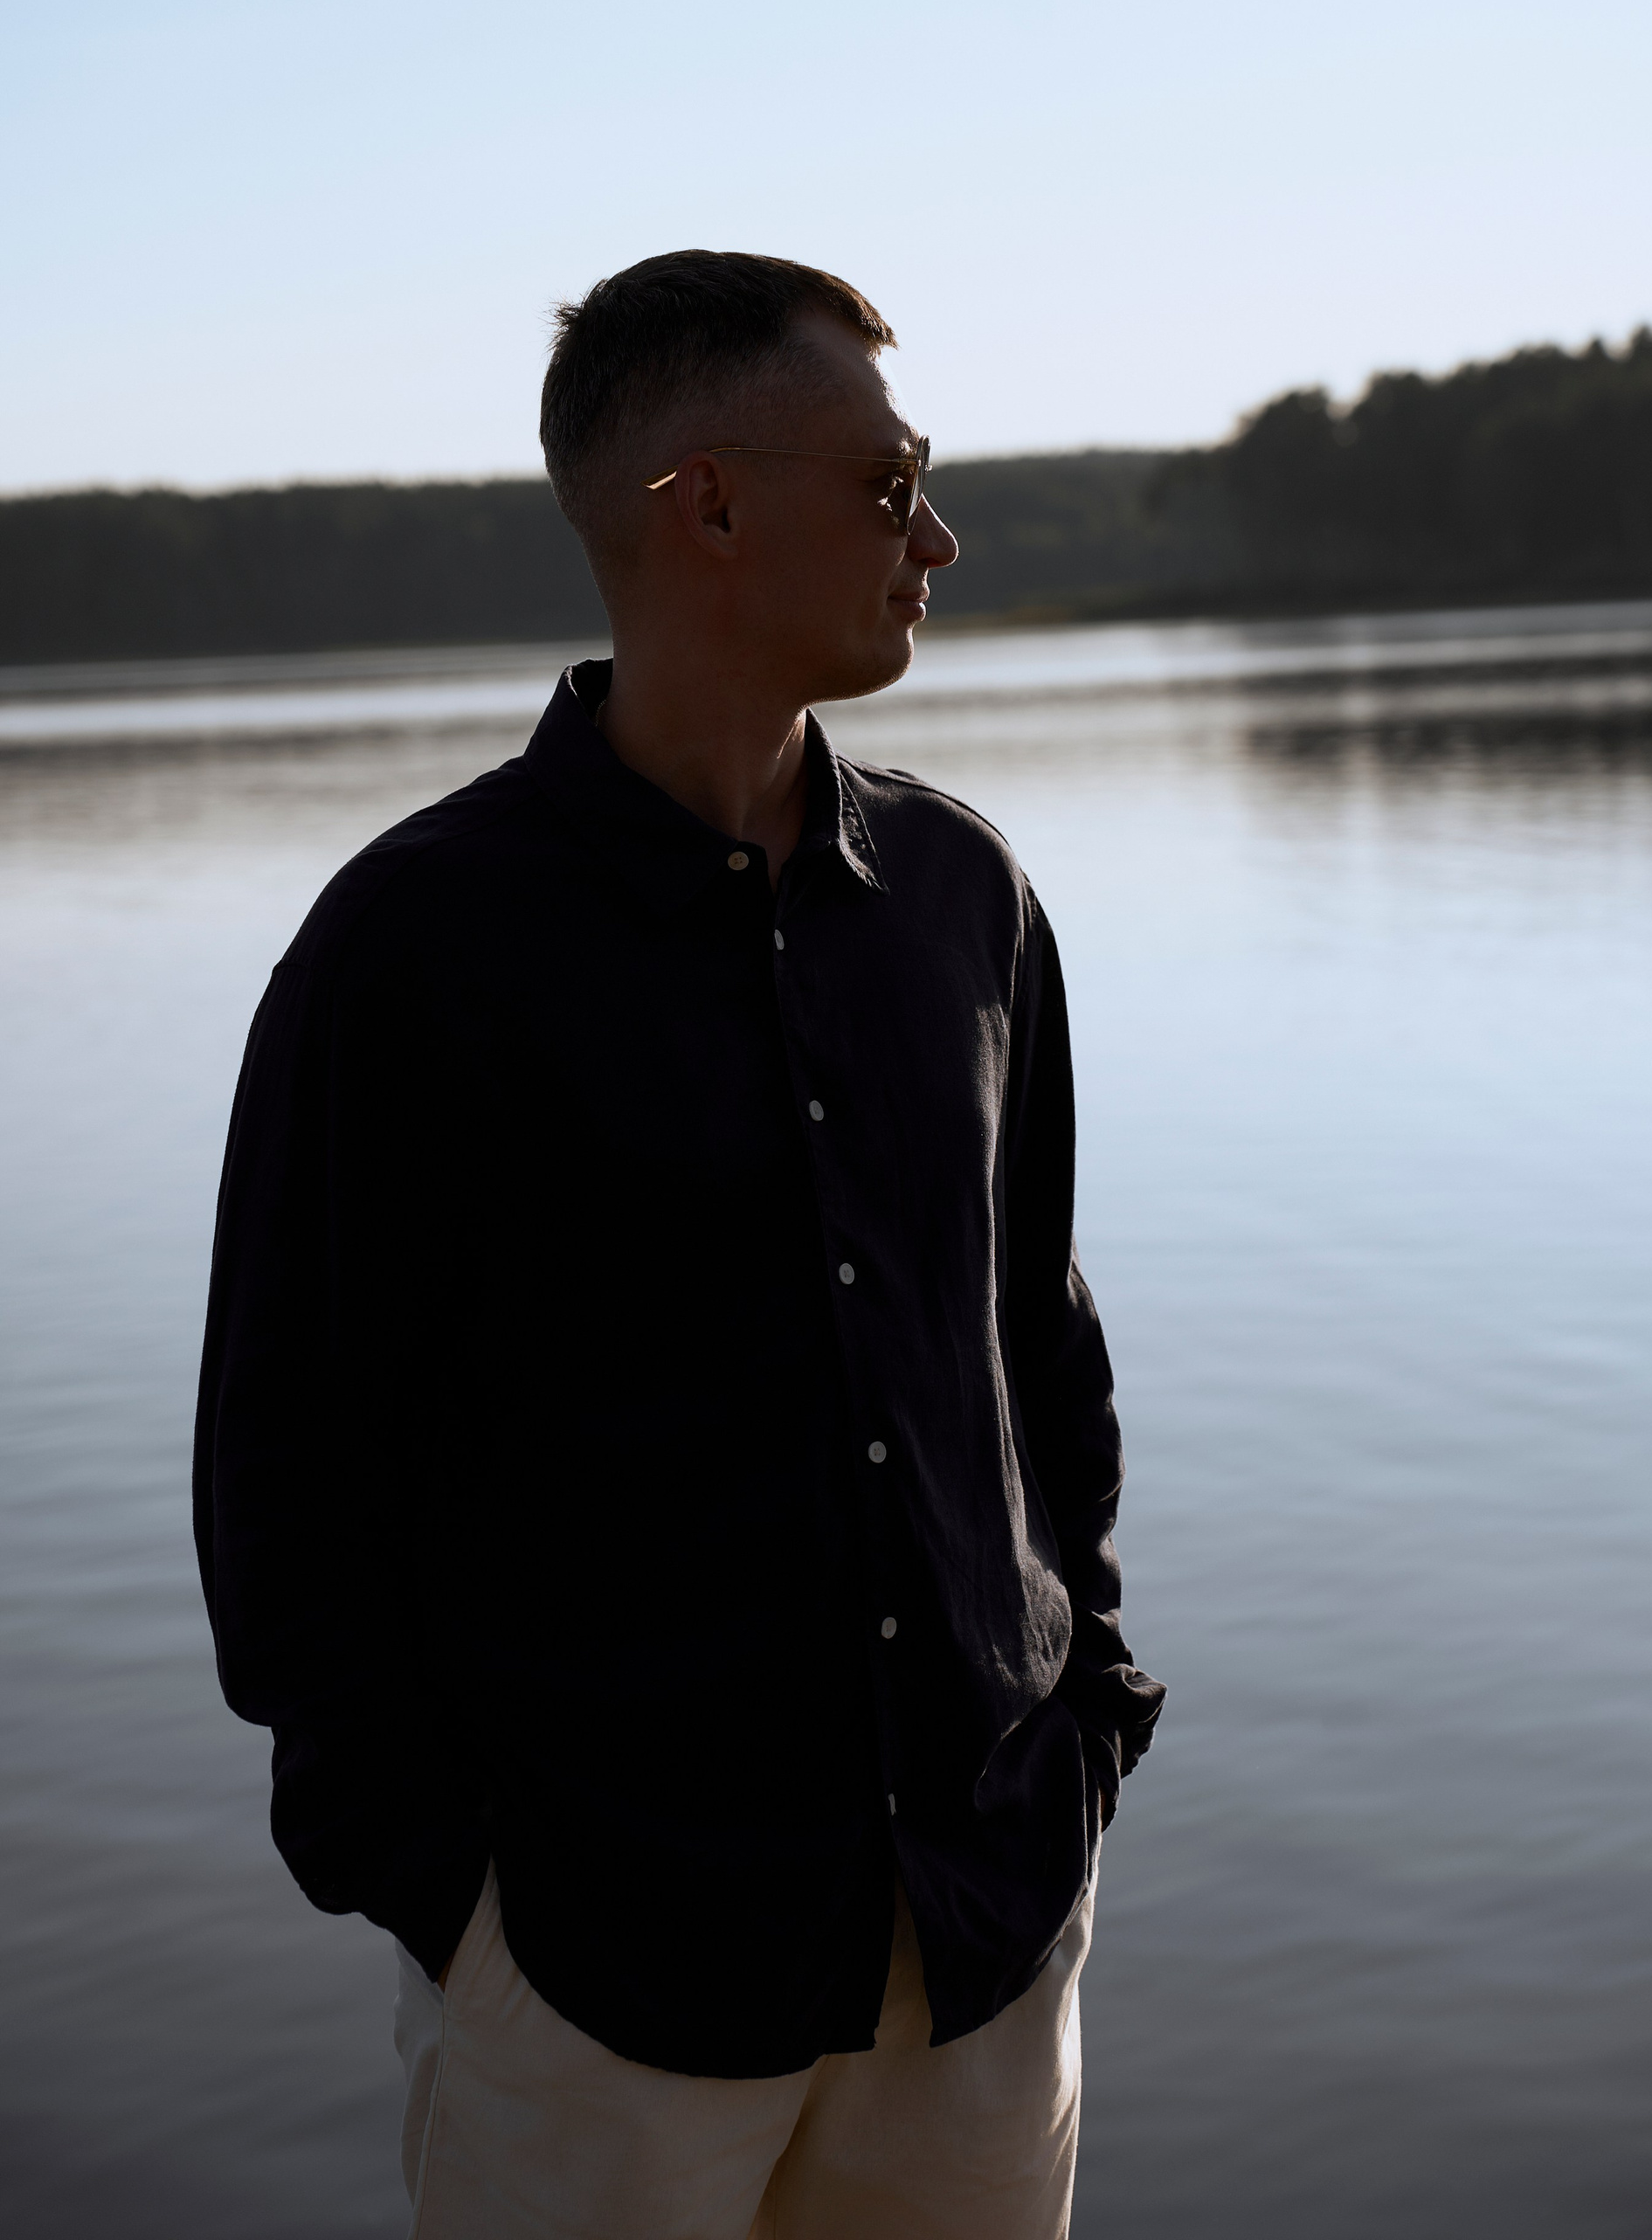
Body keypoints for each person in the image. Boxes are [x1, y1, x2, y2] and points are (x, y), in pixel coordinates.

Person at [194, 249, 1163, 2239]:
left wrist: (1089, 1717)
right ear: (706, 506)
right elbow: (285, 1490)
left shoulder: (963, 899)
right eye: (891, 486)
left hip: (980, 1942)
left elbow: (1034, 1345)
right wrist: (458, 1911)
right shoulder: (410, 956)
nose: (938, 538)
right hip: (592, 1994)